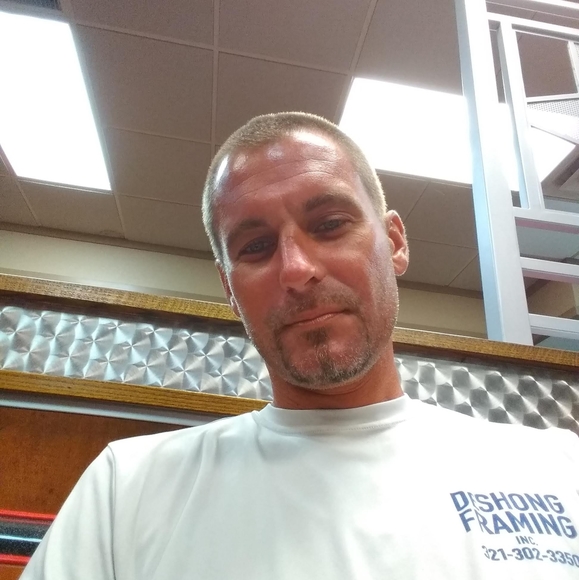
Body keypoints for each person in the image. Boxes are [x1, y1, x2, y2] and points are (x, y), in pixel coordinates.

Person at [22, 112, 579, 579]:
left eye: (330, 224)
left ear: (394, 241)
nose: (296, 269)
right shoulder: (127, 492)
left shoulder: (557, 470)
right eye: (256, 246)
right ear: (229, 289)